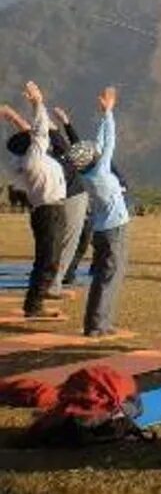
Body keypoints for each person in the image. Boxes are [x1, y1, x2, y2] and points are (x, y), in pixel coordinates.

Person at [2, 81, 68, 319]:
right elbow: (39, 130)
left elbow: (35, 133)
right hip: (50, 211)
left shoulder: (23, 161)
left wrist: (13, 118)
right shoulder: (34, 158)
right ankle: (34, 305)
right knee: (49, 259)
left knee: (46, 258)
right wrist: (37, 102)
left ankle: (34, 302)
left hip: (44, 211)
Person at [76, 86, 131, 337]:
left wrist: (103, 115)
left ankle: (97, 323)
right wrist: (109, 113)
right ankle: (98, 326)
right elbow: (109, 142)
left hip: (100, 230)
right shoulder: (99, 171)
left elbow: (100, 145)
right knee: (110, 278)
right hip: (113, 231)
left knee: (102, 277)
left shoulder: (86, 172)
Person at [46, 106, 90, 299]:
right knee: (69, 243)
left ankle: (54, 280)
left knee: (58, 242)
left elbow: (73, 144)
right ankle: (54, 284)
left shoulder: (48, 158)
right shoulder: (63, 156)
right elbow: (76, 146)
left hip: (58, 200)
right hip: (73, 199)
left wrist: (64, 122)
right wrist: (64, 122)